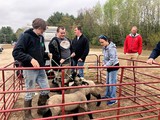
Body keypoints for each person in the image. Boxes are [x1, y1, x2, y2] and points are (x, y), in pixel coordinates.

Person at [12, 18, 52, 120]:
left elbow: (41, 52)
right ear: (38, 28)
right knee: (30, 91)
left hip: (40, 68)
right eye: (43, 29)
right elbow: (16, 52)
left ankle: (41, 109)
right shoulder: (26, 36)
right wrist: (30, 59)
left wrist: (47, 55)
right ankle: (27, 115)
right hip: (29, 69)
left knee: (46, 89)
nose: (43, 31)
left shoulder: (41, 37)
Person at [99, 35, 119, 106]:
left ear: (106, 40)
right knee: (108, 82)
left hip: (113, 66)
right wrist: (103, 63)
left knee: (112, 83)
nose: (101, 44)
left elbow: (112, 59)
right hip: (109, 66)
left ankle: (113, 99)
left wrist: (104, 66)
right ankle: (107, 95)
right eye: (100, 42)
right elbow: (105, 57)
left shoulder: (111, 48)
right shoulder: (104, 48)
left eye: (102, 42)